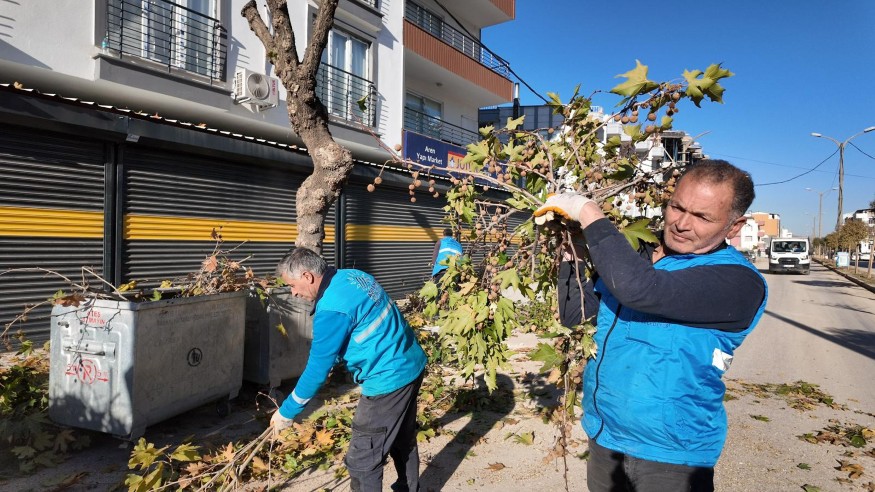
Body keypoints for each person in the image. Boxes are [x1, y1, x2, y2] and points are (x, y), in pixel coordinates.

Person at [535, 159, 768, 492]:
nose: (682, 224)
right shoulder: (637, 254)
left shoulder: (738, 282)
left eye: (702, 217)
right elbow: (578, 315)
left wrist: (587, 211)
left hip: (674, 457)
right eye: (677, 207)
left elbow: (639, 290)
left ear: (734, 226)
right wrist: (572, 251)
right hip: (606, 439)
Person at [270, 247, 427, 492]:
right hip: (410, 362)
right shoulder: (352, 276)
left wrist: (287, 411)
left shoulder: (331, 309)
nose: (293, 293)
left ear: (307, 277)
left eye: (292, 285)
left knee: (363, 459)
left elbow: (317, 370)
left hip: (387, 380)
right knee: (400, 437)